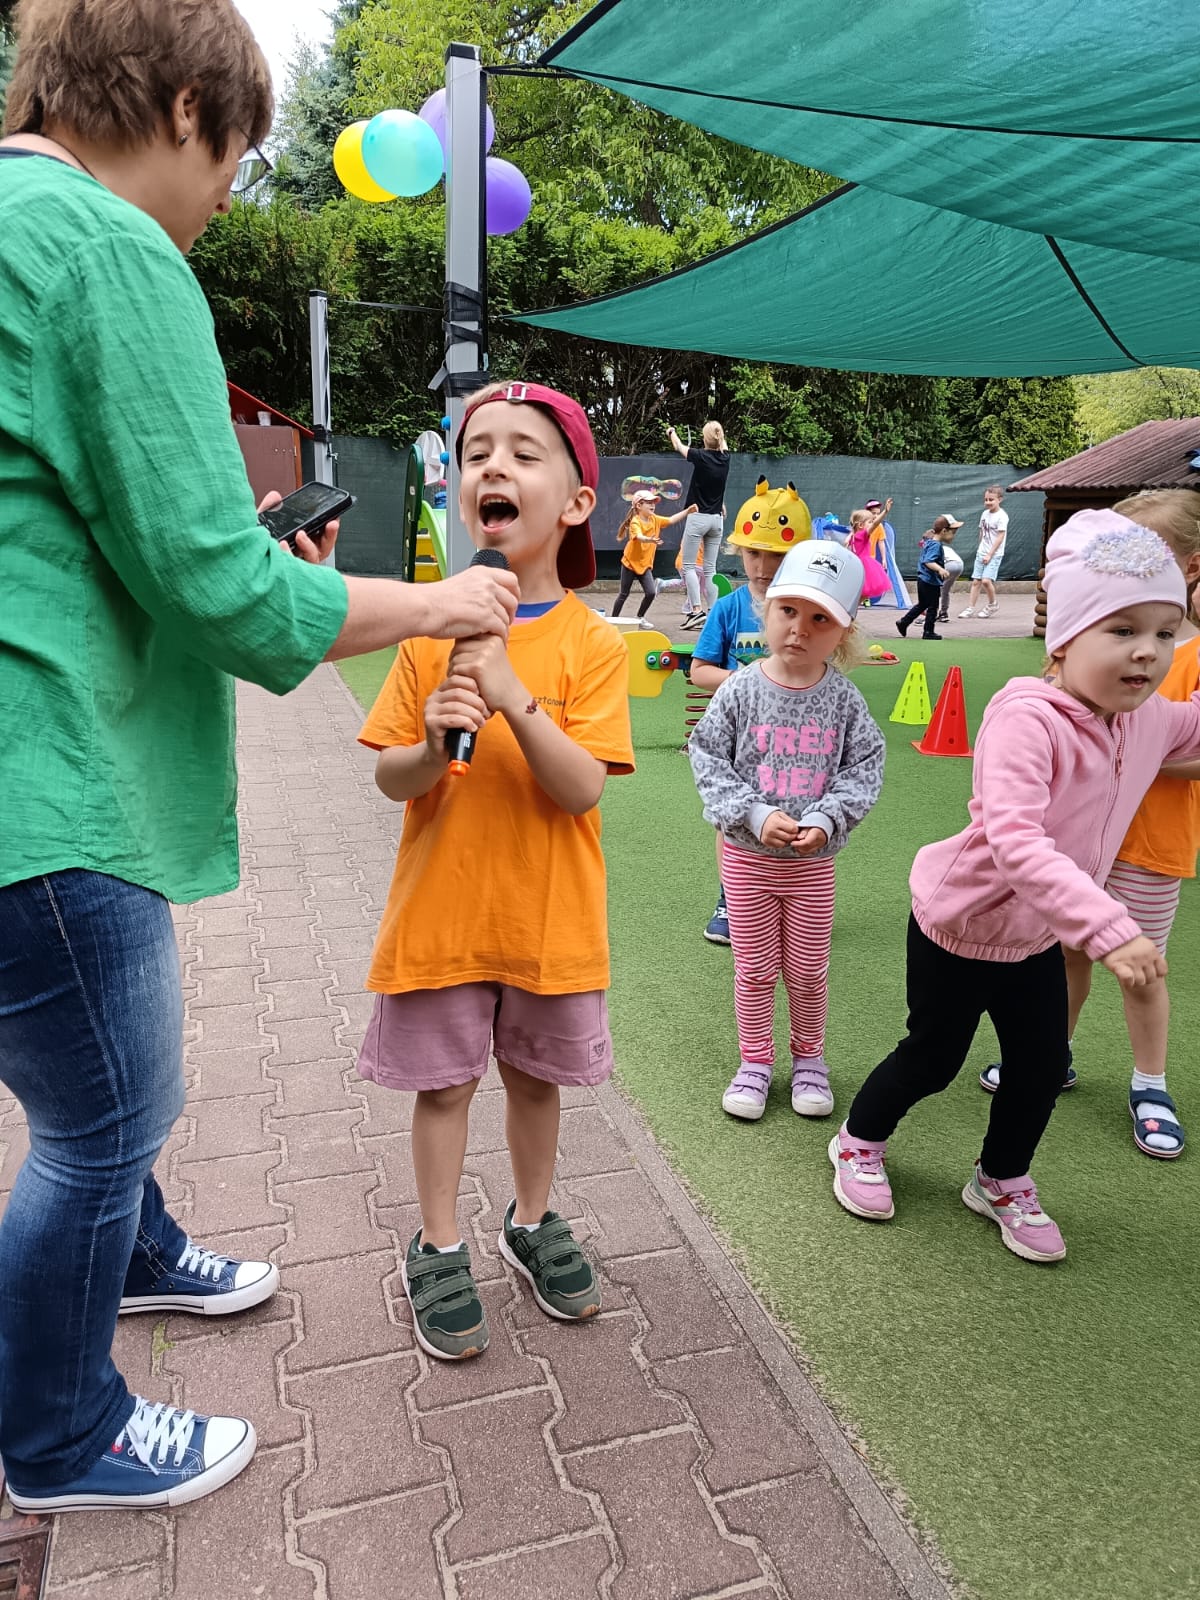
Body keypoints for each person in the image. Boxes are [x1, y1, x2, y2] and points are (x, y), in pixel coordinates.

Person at [0, 0, 518, 1515]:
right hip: (47, 776)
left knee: (89, 1095)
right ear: (183, 107)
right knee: (105, 1117)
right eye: (234, 156)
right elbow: (220, 590)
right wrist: (440, 600)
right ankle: (58, 1435)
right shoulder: (104, 247)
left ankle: (138, 1256)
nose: (228, 195)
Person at [831, 508, 1200, 1264]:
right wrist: (1108, 927)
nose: (1148, 651)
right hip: (960, 926)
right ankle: (858, 1141)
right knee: (934, 1057)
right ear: (1063, 639)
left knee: (1039, 1068)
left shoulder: (1150, 720)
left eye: (1166, 633)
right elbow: (1017, 841)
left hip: (1035, 939)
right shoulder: (1026, 716)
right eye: (1122, 629)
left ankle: (1000, 1177)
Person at [355, 380, 635, 1362]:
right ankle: (438, 1243)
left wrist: (514, 693)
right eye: (477, 453)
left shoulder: (595, 643)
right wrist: (434, 746)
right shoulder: (429, 630)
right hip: (443, 914)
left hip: (546, 918)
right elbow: (393, 777)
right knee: (441, 1087)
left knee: (535, 1080)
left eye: (521, 451)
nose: (492, 468)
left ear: (576, 502)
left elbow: (582, 788)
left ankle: (531, 1217)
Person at [980, 489, 1200, 1160]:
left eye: (1145, 553)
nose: (1146, 649)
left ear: (1189, 567)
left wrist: (1132, 750)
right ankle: (1055, 1054)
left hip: (1151, 843)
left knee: (1142, 967)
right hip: (1078, 843)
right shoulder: (1104, 636)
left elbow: (1177, 741)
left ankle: (1150, 1083)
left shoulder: (1178, 653)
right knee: (1069, 953)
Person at [689, 541, 885, 1122]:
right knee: (753, 969)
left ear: (844, 633)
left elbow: (864, 766)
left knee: (807, 971)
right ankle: (755, 1062)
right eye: (789, 612)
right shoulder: (739, 689)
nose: (800, 629)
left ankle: (808, 1060)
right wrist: (752, 814)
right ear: (767, 610)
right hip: (747, 862)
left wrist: (826, 818)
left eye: (820, 619)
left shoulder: (843, 699)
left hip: (811, 869)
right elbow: (707, 757)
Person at [691, 476, 811, 944]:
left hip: (796, 740)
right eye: (753, 553)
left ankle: (793, 898)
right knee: (733, 815)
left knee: (793, 814)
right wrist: (752, 683)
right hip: (737, 740)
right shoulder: (728, 607)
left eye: (776, 555)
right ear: (739, 552)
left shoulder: (804, 610)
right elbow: (700, 671)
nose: (763, 567)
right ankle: (731, 897)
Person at [666, 419, 731, 629]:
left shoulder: (700, 456)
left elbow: (679, 446)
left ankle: (696, 611)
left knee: (689, 567)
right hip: (716, 520)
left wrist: (671, 432)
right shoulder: (726, 457)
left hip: (698, 517)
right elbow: (722, 442)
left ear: (705, 438)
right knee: (710, 569)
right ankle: (712, 613)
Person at [611, 489, 696, 620]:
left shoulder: (655, 519)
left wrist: (687, 511)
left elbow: (671, 520)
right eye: (649, 503)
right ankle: (613, 619)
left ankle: (640, 618)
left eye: (653, 503)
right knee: (623, 594)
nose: (653, 505)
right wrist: (649, 539)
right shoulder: (635, 521)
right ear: (639, 506)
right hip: (629, 564)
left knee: (651, 593)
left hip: (645, 565)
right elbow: (638, 536)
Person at [896, 515, 956, 640]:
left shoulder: (930, 542)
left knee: (923, 604)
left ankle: (904, 622)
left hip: (923, 579)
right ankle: (928, 631)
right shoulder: (936, 545)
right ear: (944, 531)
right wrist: (940, 569)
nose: (953, 536)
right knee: (933, 606)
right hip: (930, 581)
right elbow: (928, 561)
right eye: (953, 533)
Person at [960, 485, 1009, 618]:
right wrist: (981, 548)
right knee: (976, 581)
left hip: (994, 554)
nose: (988, 502)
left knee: (986, 581)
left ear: (1000, 499)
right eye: (986, 499)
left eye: (991, 500)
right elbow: (982, 532)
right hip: (982, 552)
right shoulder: (984, 514)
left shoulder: (1002, 516)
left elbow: (1000, 537)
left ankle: (993, 605)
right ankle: (970, 608)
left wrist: (989, 554)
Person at [845, 499, 895, 602]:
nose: (872, 524)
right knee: (862, 594)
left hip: (856, 565)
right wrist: (885, 511)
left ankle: (852, 608)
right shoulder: (863, 534)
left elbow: (847, 542)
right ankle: (851, 608)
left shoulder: (854, 535)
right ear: (861, 525)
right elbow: (876, 524)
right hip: (864, 565)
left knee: (861, 595)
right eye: (870, 522)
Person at [936, 518, 965, 621]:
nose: (953, 535)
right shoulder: (943, 546)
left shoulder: (935, 546)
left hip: (950, 564)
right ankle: (943, 613)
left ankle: (931, 614)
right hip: (959, 565)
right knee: (945, 589)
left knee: (934, 589)